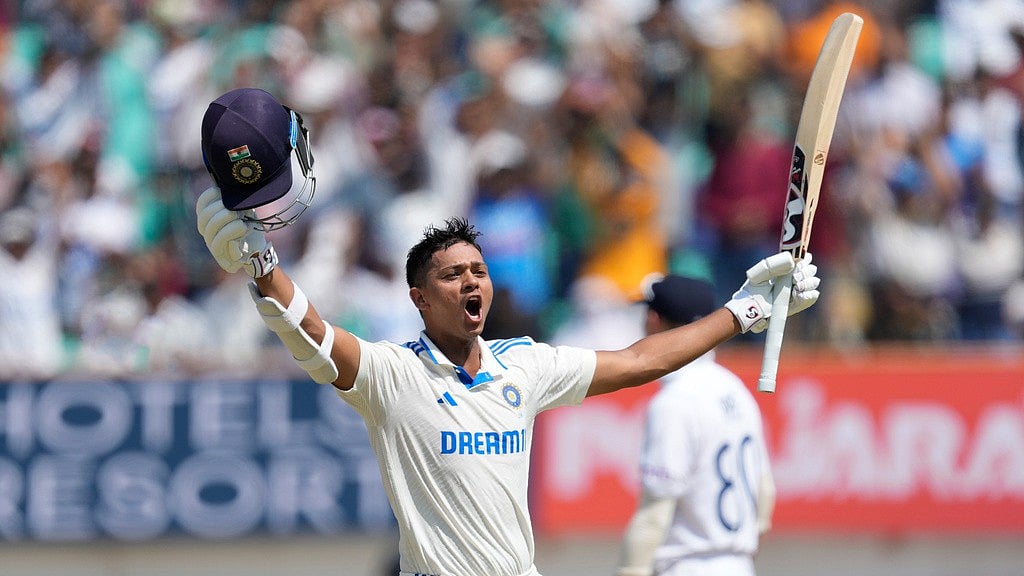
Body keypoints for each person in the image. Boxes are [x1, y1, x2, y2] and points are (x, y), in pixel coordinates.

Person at [195, 87, 820, 576]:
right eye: (452, 276)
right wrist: (264, 269)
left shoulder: (523, 366)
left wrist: (745, 313)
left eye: (479, 272)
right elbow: (315, 338)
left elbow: (639, 359)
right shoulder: (393, 375)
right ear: (418, 297)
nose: (472, 284)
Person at [616, 274, 776, 576]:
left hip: (687, 566)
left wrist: (629, 570)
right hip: (739, 565)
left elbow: (655, 515)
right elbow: (764, 491)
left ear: (653, 319)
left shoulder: (674, 402)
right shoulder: (735, 388)